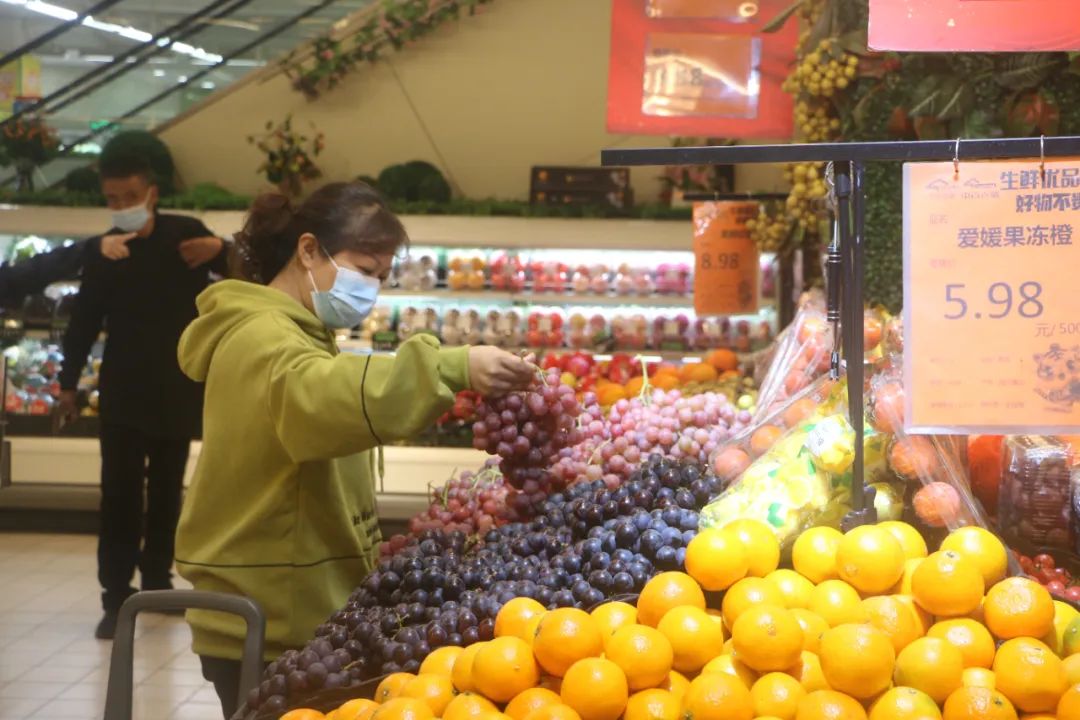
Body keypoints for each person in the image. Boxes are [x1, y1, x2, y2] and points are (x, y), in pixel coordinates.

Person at [174, 181, 535, 718]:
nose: (372, 290)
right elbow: (325, 397)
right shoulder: (262, 336)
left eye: (382, 278)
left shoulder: (298, 331)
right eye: (364, 270)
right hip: (268, 614)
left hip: (289, 603)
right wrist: (450, 366)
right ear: (308, 250)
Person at [56, 152, 228, 640]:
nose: (122, 207)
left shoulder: (186, 234)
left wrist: (219, 248)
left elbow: (239, 268)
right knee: (119, 497)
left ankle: (157, 580)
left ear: (151, 194)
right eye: (112, 200)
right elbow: (84, 321)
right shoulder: (108, 251)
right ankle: (115, 597)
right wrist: (68, 383)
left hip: (178, 388)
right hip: (123, 394)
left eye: (129, 197)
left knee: (169, 492)